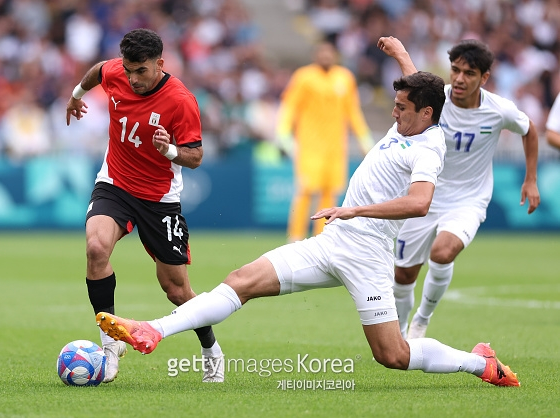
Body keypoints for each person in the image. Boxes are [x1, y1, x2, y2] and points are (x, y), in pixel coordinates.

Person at [96, 70, 520, 387]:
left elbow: (420, 202)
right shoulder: (412, 120)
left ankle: (477, 362)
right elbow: (419, 90)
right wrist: (399, 57)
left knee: (392, 355)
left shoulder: (428, 148)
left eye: (401, 107)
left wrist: (356, 211)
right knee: (240, 281)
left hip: (368, 255)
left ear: (425, 113)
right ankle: (153, 329)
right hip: (331, 242)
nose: (393, 112)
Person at [65, 28, 224, 383]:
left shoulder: (181, 100)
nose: (133, 79)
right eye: (128, 69)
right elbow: (97, 71)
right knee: (95, 248)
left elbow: (195, 156)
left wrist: (168, 150)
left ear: (160, 64)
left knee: (176, 290)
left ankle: (211, 348)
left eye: (142, 71)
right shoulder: (116, 72)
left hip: (158, 199)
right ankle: (110, 346)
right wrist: (76, 95)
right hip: (115, 184)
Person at [378, 36, 541, 340]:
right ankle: (398, 338)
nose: (460, 79)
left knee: (443, 252)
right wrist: (400, 52)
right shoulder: (438, 100)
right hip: (426, 195)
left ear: (485, 77)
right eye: (455, 70)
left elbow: (530, 130)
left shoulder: (499, 110)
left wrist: (530, 178)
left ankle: (421, 322)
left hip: (469, 200)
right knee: (403, 275)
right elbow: (414, 81)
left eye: (469, 73)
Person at [276, 41, 374, 242]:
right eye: (323, 53)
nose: (326, 57)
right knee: (306, 191)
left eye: (330, 53)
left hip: (336, 148)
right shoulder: (304, 77)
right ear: (316, 55)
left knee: (330, 194)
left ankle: (321, 237)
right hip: (309, 147)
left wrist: (365, 139)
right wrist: (283, 133)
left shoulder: (345, 78)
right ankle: (296, 237)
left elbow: (353, 112)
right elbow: (290, 106)